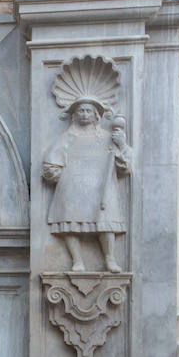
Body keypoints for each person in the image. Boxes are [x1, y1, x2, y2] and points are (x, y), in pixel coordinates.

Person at [41, 101, 133, 272]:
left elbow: (125, 167)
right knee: (70, 223)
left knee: (106, 223)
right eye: (81, 111)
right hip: (73, 188)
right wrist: (65, 178)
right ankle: (77, 260)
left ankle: (109, 258)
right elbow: (49, 164)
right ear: (75, 115)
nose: (84, 114)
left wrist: (121, 145)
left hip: (101, 187)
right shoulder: (67, 138)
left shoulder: (107, 138)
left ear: (95, 115)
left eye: (88, 111)